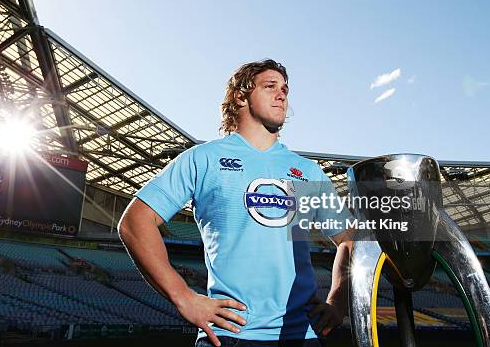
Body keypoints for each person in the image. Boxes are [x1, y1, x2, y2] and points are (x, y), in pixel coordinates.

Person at [118, 59, 353, 346]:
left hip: (303, 336)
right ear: (241, 96)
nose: (282, 94)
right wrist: (184, 297)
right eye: (270, 87)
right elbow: (134, 222)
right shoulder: (203, 158)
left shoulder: (307, 170)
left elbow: (348, 239)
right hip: (231, 335)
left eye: (285, 89)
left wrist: (338, 301)